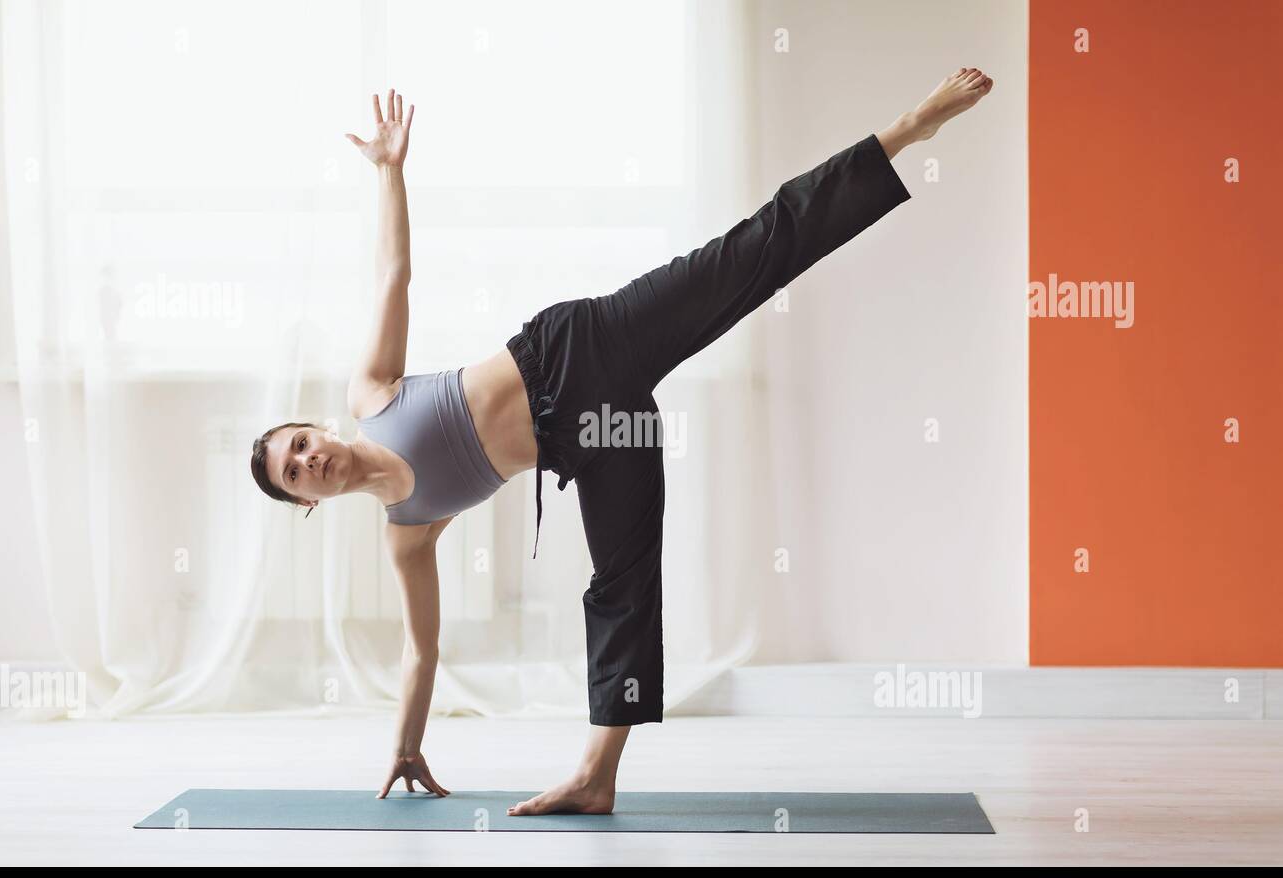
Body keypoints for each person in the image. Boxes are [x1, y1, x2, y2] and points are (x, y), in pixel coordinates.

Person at [250, 68, 994, 815]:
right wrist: (407, 745)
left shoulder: (372, 397)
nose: (311, 460)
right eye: (298, 474)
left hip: (585, 346)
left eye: (302, 444)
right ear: (307, 501)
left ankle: (908, 127)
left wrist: (389, 173)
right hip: (597, 443)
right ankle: (595, 777)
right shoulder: (407, 535)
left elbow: (393, 275)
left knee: (749, 252)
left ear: (319, 427)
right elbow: (421, 652)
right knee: (623, 587)